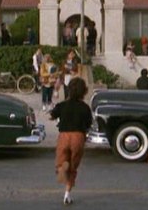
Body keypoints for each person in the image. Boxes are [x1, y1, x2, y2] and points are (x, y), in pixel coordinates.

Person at [50, 77, 93, 206]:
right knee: (73, 168)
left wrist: (54, 116)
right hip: (78, 137)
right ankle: (67, 194)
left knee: (61, 162)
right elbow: (88, 123)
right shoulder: (85, 108)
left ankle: (62, 166)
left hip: (64, 136)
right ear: (84, 92)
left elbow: (53, 114)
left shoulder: (62, 105)